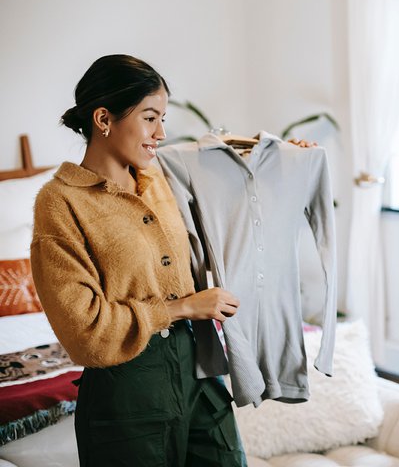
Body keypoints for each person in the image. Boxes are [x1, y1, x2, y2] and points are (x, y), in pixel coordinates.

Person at [30, 54, 248, 466]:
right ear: (103, 118)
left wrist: (296, 155)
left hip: (200, 374)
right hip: (126, 393)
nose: (161, 133)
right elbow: (83, 332)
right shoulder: (60, 203)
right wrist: (184, 306)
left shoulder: (161, 176)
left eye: (163, 118)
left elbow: (238, 173)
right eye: (150, 117)